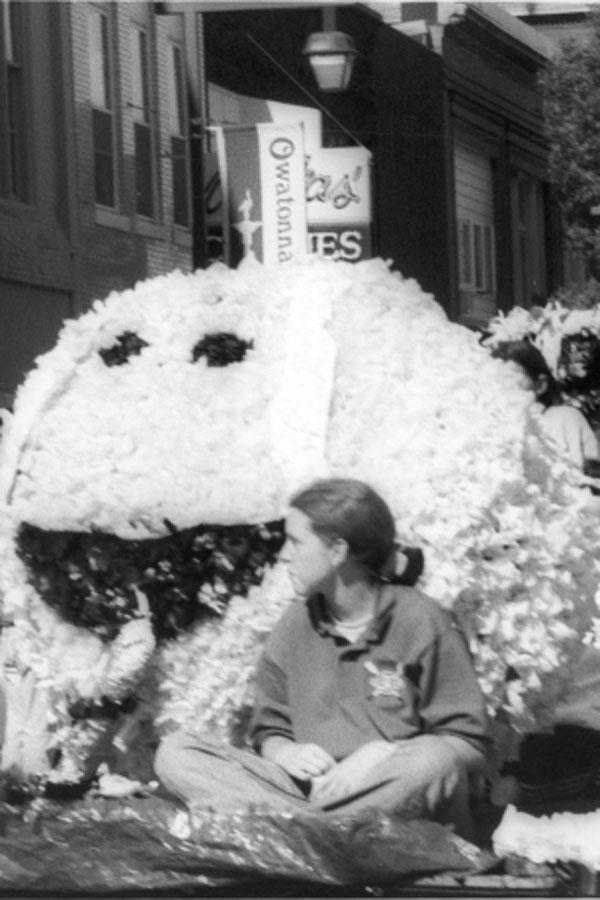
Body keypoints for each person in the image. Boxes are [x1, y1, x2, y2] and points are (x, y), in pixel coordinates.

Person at [154, 479, 490, 838]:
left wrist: (382, 752)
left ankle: (302, 833)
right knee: (176, 752)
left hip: (391, 797)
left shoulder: (421, 620)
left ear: (337, 551)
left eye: (296, 541)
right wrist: (286, 754)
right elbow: (270, 732)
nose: (284, 554)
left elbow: (467, 747)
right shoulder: (293, 626)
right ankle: (319, 834)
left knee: (434, 760)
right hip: (309, 795)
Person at [497, 340, 598, 471]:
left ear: (540, 384)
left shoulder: (562, 418)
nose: (501, 382)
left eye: (510, 375)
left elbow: (587, 473)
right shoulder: (492, 430)